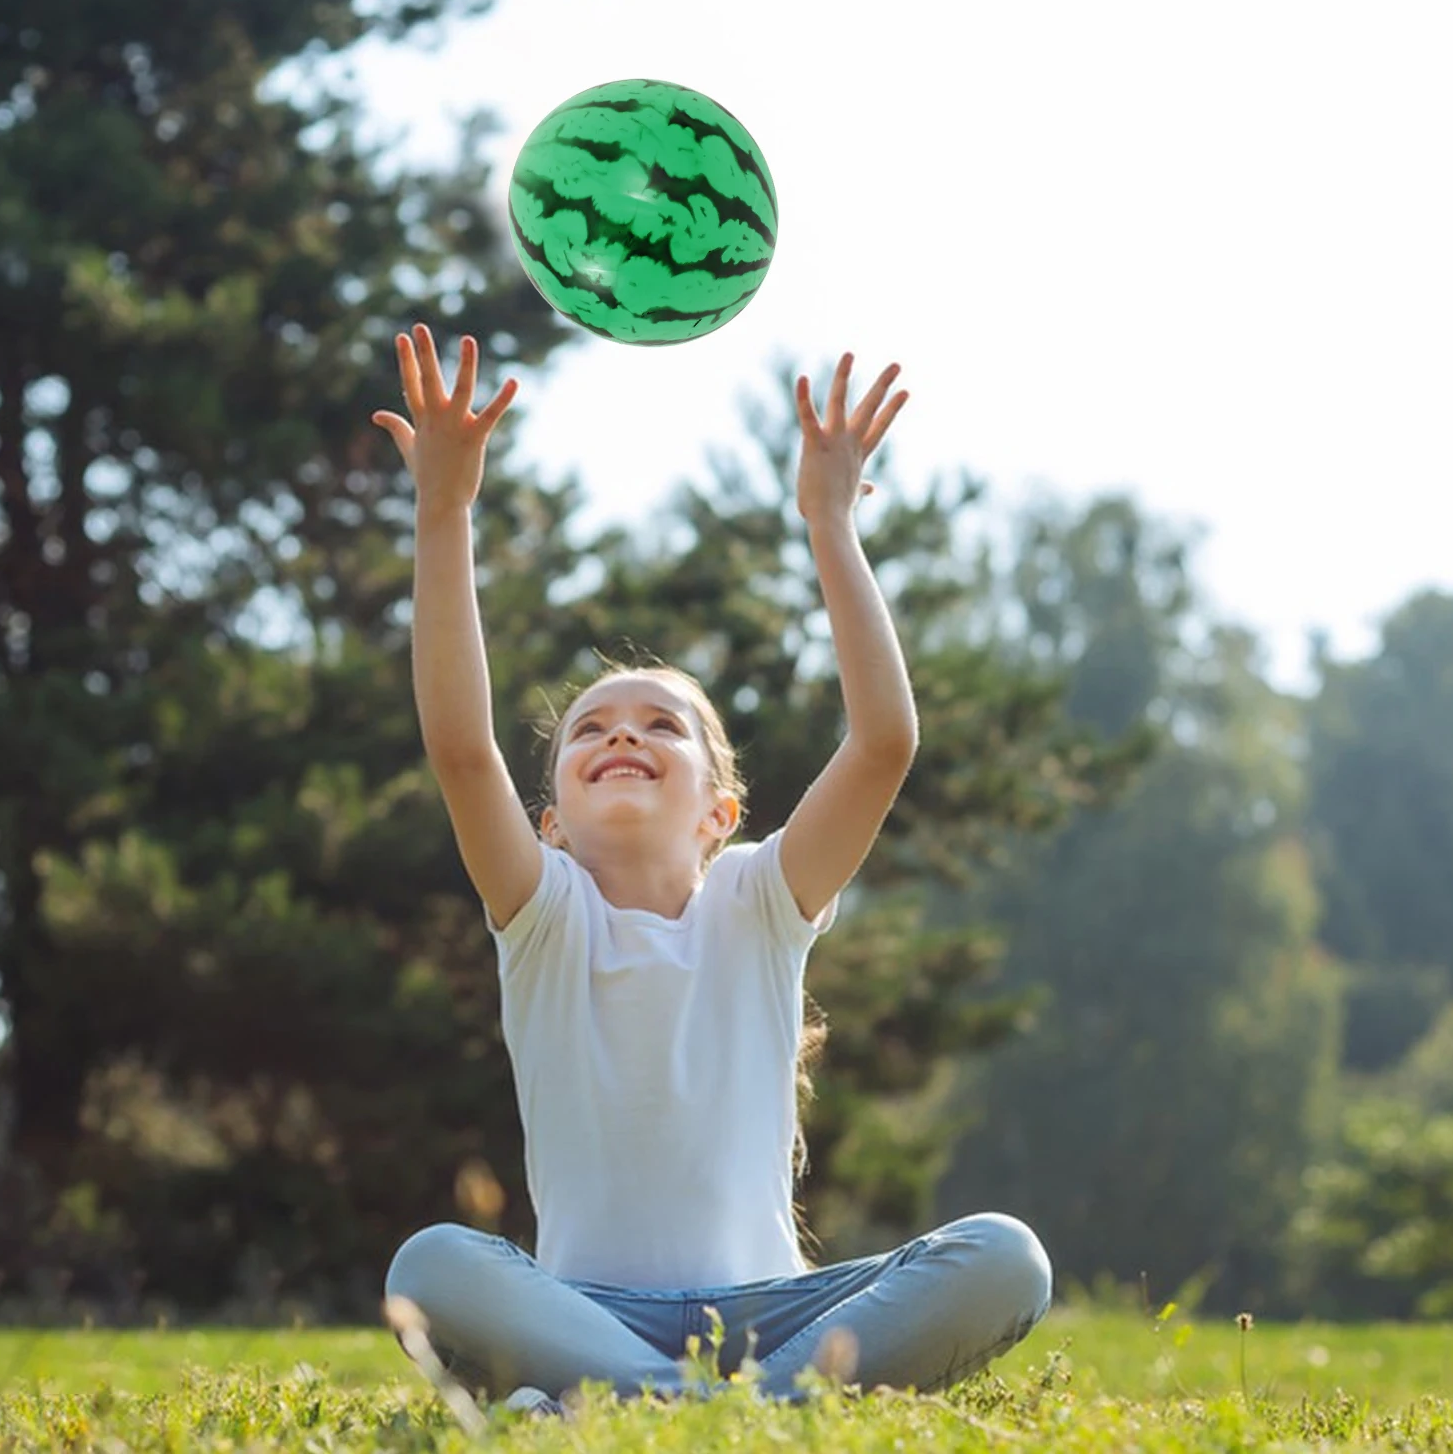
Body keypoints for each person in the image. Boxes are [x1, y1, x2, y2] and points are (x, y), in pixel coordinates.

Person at [373, 323, 1051, 1409]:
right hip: (587, 1311)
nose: (621, 735)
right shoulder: (543, 913)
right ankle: (731, 1415)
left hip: (779, 1314)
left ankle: (644, 1412)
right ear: (547, 822)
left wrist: (829, 524)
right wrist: (444, 509)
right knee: (430, 1263)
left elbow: (882, 742)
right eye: (589, 731)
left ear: (720, 811)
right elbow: (461, 746)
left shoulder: (761, 900)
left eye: (661, 725)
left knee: (1005, 1255)